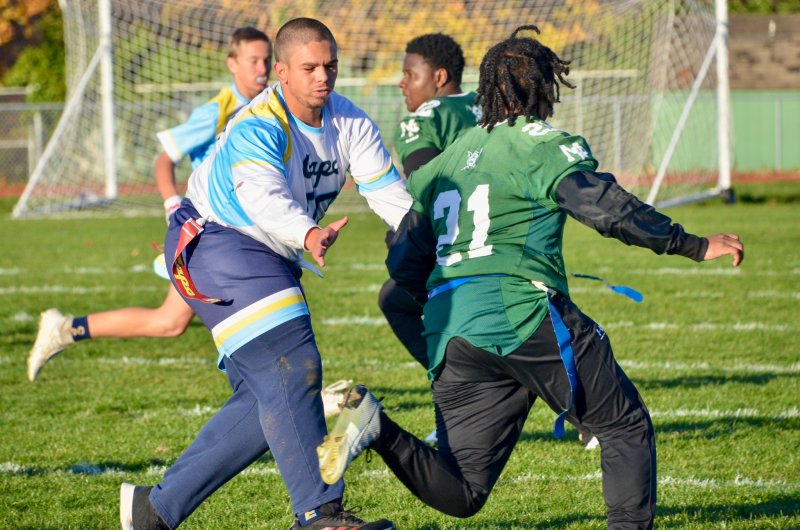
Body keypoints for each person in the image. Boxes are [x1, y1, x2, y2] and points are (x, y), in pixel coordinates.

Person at [317, 25, 745, 530]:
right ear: (545, 88)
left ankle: (376, 426)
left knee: (464, 490)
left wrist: (449, 301)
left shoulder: (445, 161)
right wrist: (693, 245)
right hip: (520, 311)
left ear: (486, 90)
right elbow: (605, 208)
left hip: (453, 328)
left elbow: (405, 260)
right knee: (622, 425)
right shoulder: (540, 144)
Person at [120, 18, 410, 530]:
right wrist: (308, 233)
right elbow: (262, 198)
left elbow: (388, 194)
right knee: (292, 364)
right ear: (282, 71)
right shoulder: (259, 123)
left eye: (330, 66)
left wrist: (434, 245)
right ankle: (320, 515)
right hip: (214, 240)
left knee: (265, 397)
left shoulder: (350, 121)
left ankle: (154, 511)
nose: (323, 76)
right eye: (309, 67)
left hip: (265, 252)